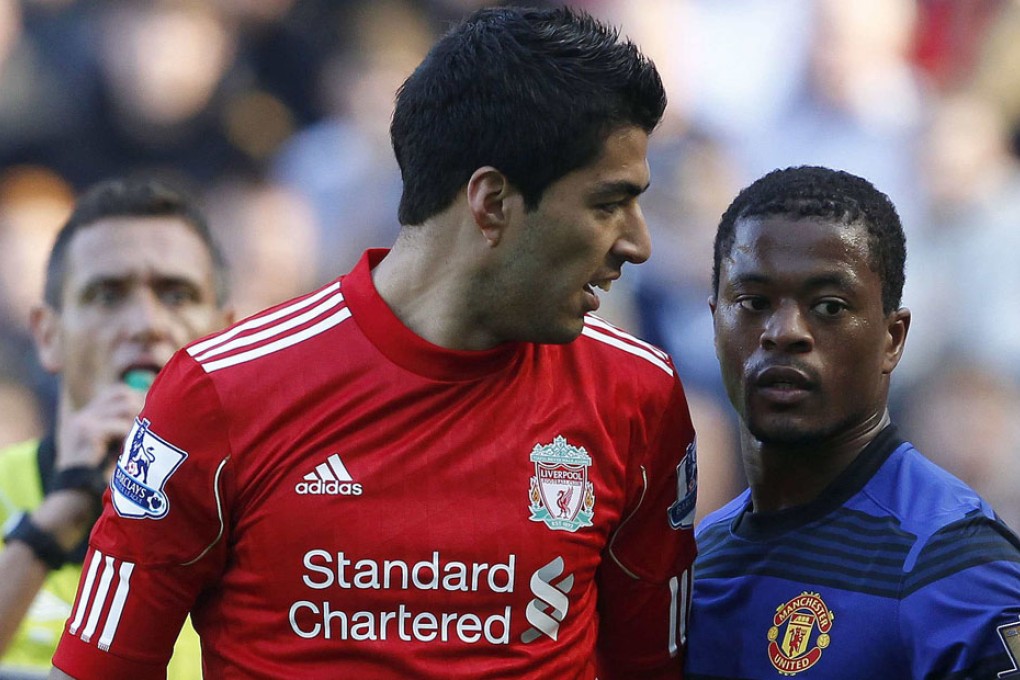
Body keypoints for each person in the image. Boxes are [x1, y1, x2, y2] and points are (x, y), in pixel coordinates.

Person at [50, 7, 699, 680]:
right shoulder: (217, 391)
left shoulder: (638, 397)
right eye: (606, 205)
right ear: (492, 202)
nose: (637, 244)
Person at [684, 166, 1020, 679]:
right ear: (714, 322)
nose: (784, 332)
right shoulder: (701, 559)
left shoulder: (953, 564)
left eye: (829, 307)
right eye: (753, 303)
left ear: (893, 339)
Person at [0, 177, 233, 678]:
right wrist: (58, 517)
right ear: (47, 335)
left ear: (225, 335)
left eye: (177, 295)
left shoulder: (261, 518)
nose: (146, 323)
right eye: (108, 295)